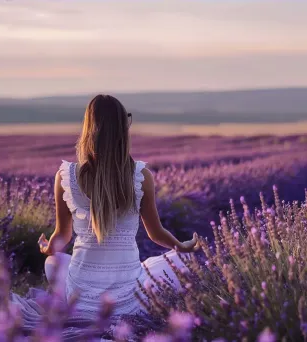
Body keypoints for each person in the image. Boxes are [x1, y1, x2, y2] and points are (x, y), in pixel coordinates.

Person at [12, 94, 199, 339]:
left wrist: (47, 248)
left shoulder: (65, 176)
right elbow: (156, 234)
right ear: (123, 128)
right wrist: (180, 246)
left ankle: (79, 307)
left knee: (53, 262)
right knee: (181, 264)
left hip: (81, 298)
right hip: (128, 300)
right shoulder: (141, 176)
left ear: (88, 128)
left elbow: (62, 236)